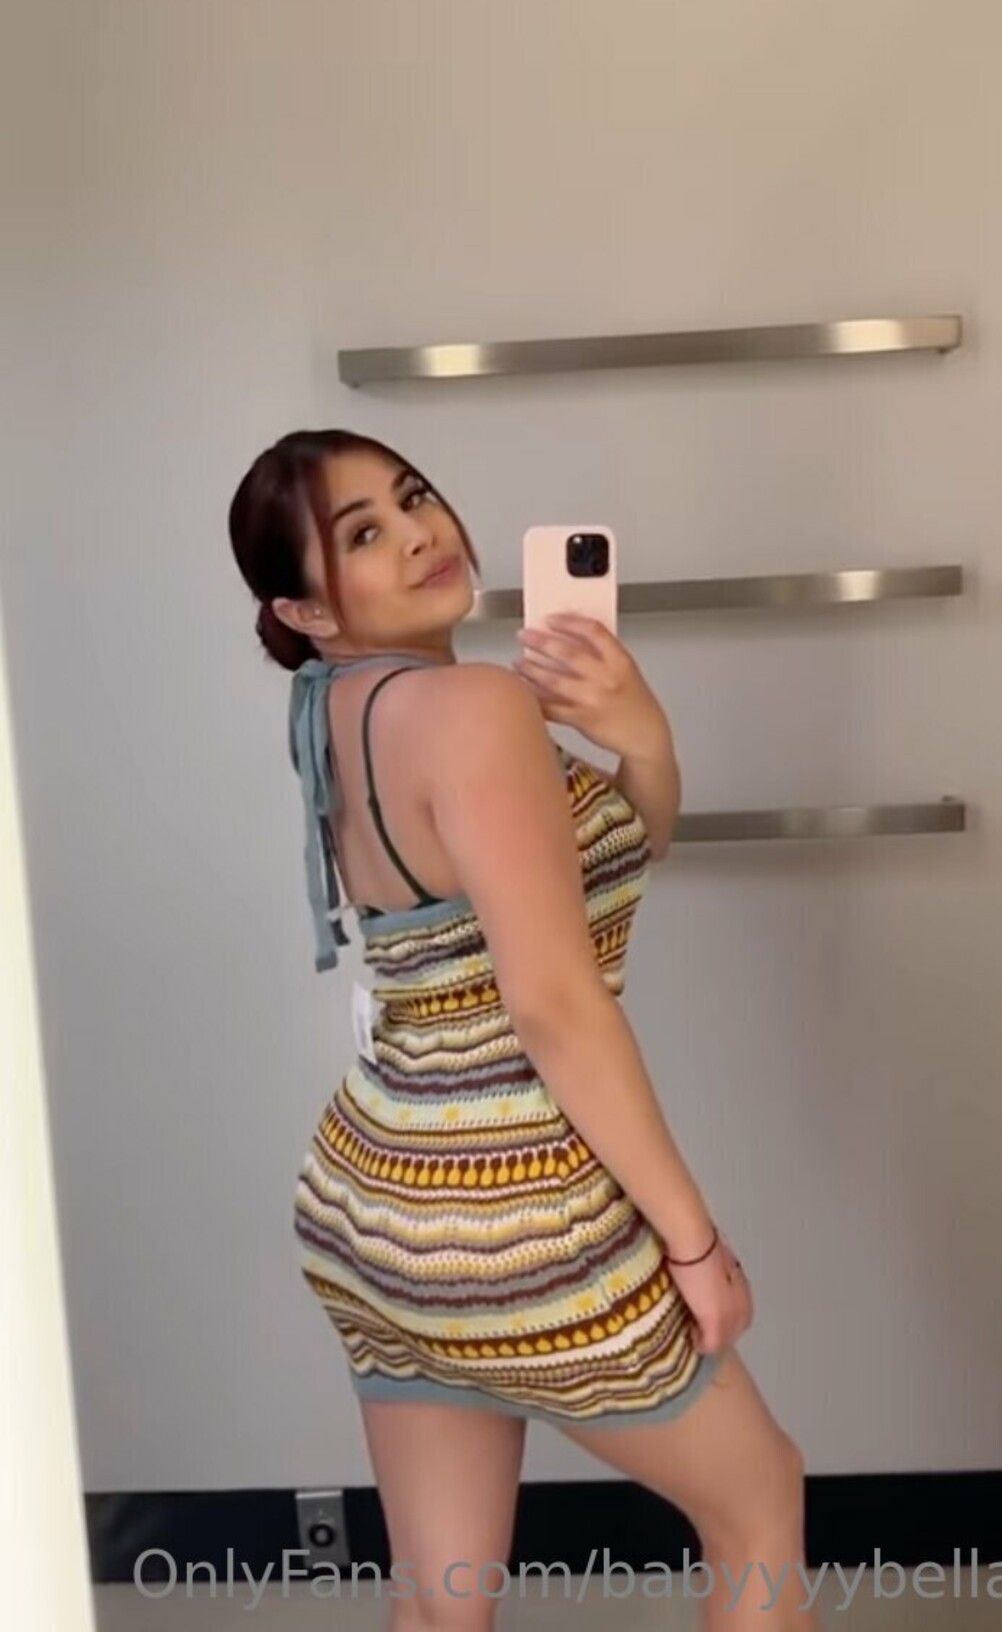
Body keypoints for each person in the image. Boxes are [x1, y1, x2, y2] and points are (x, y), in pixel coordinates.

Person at [228, 429, 818, 1632]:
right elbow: (554, 1006)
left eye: (413, 498)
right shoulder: (477, 707)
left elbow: (619, 850)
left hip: (370, 1207)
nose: (420, 533)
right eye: (364, 534)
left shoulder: (339, 707)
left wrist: (639, 733)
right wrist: (693, 1244)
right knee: (759, 1501)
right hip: (515, 1211)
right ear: (304, 610)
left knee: (442, 1599)